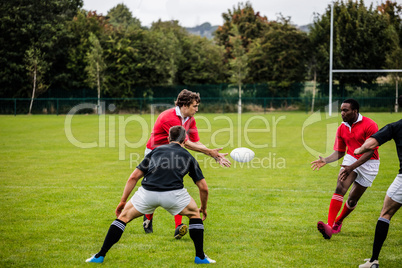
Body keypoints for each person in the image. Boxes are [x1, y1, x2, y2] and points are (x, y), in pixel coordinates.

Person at [86, 126, 216, 264]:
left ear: (168, 139)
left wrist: (123, 201)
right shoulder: (188, 156)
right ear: (185, 141)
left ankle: (100, 256)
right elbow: (204, 188)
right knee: (194, 215)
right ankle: (200, 257)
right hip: (174, 195)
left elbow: (133, 177)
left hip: (147, 193)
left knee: (123, 218)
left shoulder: (155, 151)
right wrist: (203, 207)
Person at [143, 89, 231, 239]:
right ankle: (148, 218)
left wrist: (214, 155)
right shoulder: (168, 117)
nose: (197, 109)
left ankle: (178, 226)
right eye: (194, 106)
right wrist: (210, 152)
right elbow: (186, 143)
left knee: (175, 185)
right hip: (155, 155)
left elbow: (196, 141)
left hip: (174, 154)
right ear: (184, 105)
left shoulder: (190, 119)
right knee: (155, 188)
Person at [311, 99, 380, 239]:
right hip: (351, 158)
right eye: (341, 110)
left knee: (352, 200)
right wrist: (326, 160)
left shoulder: (370, 125)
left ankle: (339, 221)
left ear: (355, 111)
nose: (342, 113)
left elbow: (369, 152)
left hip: (370, 163)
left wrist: (351, 167)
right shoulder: (342, 128)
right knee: (340, 188)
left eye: (345, 110)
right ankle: (329, 227)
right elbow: (340, 151)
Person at [356, 96, 402, 268]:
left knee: (386, 213)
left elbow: (371, 144)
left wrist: (358, 149)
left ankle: (373, 260)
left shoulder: (396, 126)